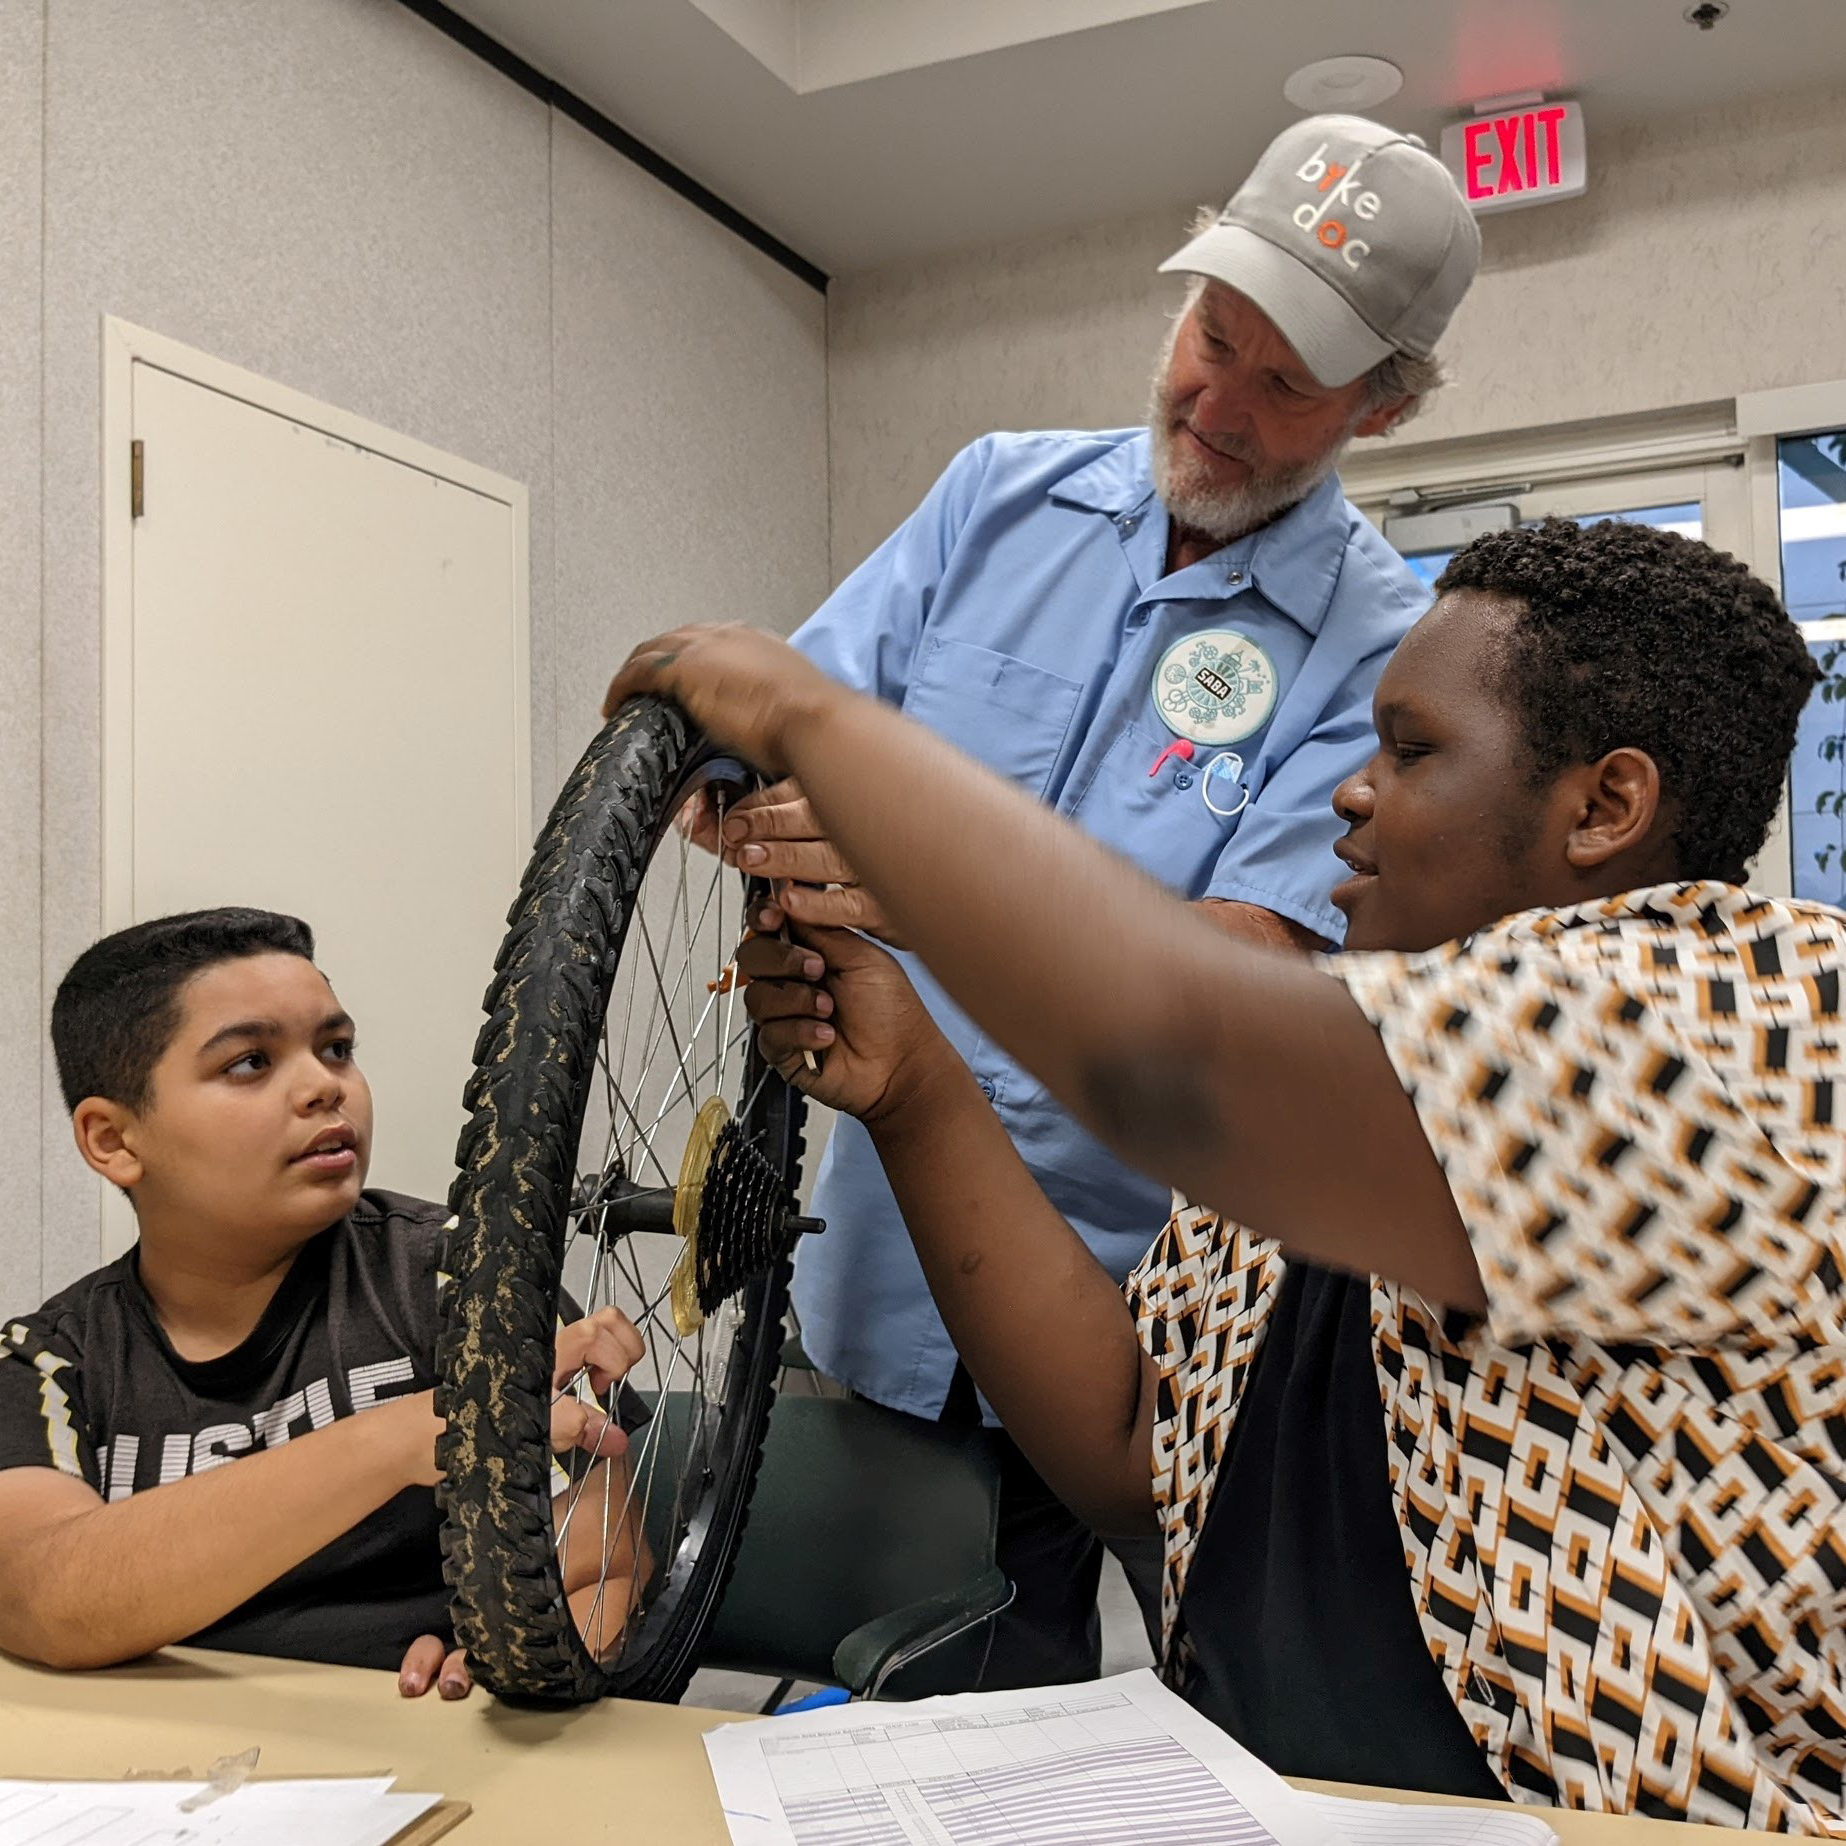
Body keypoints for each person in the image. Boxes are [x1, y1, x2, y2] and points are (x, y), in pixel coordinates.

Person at [605, 516, 1846, 1830]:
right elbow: (1136, 1442)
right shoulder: (1358, 1079)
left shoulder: (1750, 1013)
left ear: (1601, 806)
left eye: (1410, 749)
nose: (1352, 793)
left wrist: (828, 737)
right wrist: (911, 1088)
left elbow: (1180, 1033)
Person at [705, 111, 1483, 1684]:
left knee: (1058, 1735)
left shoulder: (1382, 648)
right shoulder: (995, 496)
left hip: (1110, 1349)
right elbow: (775, 740)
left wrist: (914, 873)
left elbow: (1243, 974)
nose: (1216, 398)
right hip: (852, 1292)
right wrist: (749, 812)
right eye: (1211, 332)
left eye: (1286, 381)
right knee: (814, 1688)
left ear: (1383, 409)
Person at [0, 907, 646, 1696]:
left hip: (439, 1748)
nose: (322, 1086)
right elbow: (44, 1597)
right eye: (249, 1062)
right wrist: (404, 1436)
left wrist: (517, 1664)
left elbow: (609, 1552)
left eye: (336, 1048)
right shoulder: (49, 1358)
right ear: (114, 1139)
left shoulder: (462, 1272)